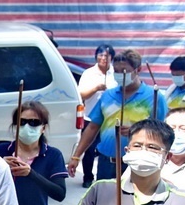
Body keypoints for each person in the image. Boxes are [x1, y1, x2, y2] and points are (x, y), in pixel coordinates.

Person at [67, 49, 167, 182]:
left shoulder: (154, 97)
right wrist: (76, 156)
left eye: (124, 71)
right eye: (116, 71)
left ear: (138, 70)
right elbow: (92, 127)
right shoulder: (107, 95)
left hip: (138, 162)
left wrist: (136, 131)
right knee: (104, 200)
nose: (120, 75)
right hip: (106, 162)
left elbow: (163, 132)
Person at [77, 45, 116, 187]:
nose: (103, 58)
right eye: (100, 55)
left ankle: (106, 177)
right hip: (91, 118)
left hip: (110, 119)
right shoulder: (89, 73)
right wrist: (96, 88)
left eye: (107, 56)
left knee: (107, 149)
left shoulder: (115, 73)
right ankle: (88, 177)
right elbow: (81, 94)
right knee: (88, 150)